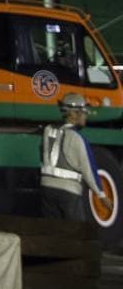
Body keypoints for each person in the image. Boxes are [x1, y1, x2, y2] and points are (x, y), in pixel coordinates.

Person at [40, 93, 105, 221]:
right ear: (75, 114)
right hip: (68, 192)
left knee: (52, 232)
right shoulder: (77, 138)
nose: (86, 116)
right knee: (76, 234)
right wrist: (101, 195)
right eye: (84, 112)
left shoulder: (48, 131)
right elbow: (88, 169)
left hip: (47, 188)